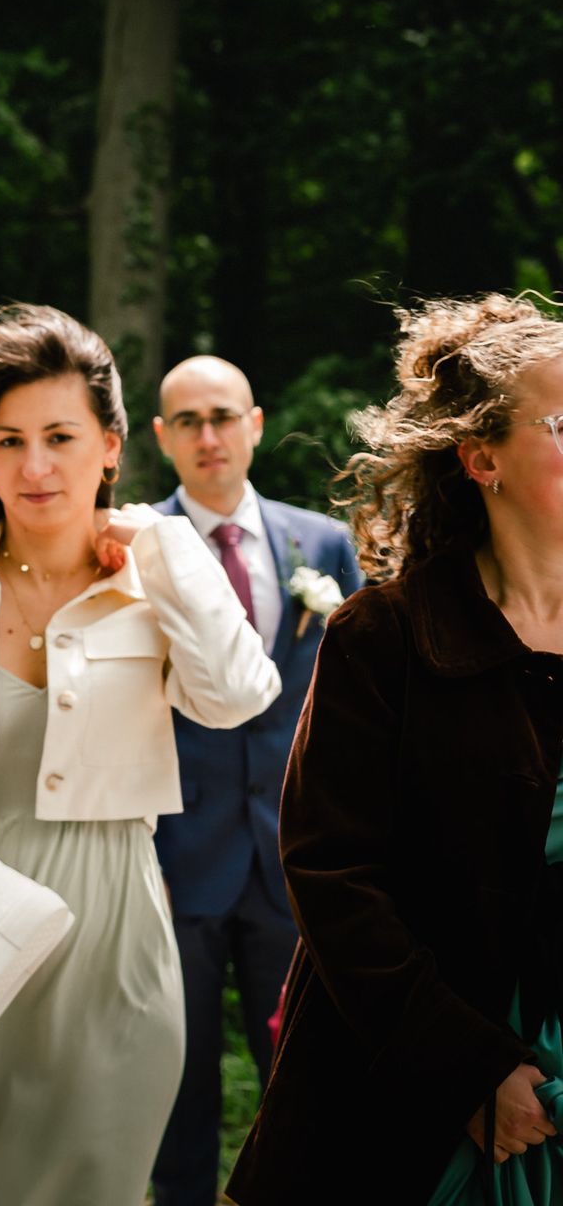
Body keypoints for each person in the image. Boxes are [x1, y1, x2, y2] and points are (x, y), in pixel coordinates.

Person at [0, 305, 279, 1206]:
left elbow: (237, 696)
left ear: (110, 446)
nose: (36, 467)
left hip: (110, 954)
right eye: (10, 440)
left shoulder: (156, 580)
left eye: (62, 437)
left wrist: (166, 544)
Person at [227, 294, 563, 1204]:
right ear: (481, 457)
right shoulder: (386, 637)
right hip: (402, 1102)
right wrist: (465, 1068)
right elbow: (333, 875)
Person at [145, 355, 363, 1206]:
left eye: (224, 416)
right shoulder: (132, 545)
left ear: (257, 424)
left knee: (307, 1086)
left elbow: (357, 704)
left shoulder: (325, 544)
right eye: (189, 421)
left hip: (296, 859)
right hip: (175, 865)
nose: (210, 436)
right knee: (180, 1095)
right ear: (163, 438)